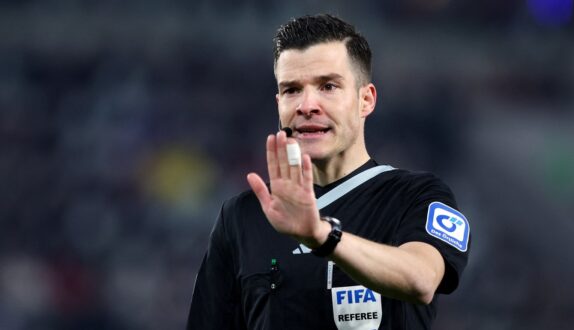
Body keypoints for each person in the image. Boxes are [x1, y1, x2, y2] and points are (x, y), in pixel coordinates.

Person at [187, 14, 470, 330]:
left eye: (328, 86)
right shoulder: (242, 216)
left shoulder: (416, 197)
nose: (307, 105)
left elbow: (422, 279)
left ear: (366, 100)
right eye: (292, 90)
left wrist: (322, 236)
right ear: (279, 103)